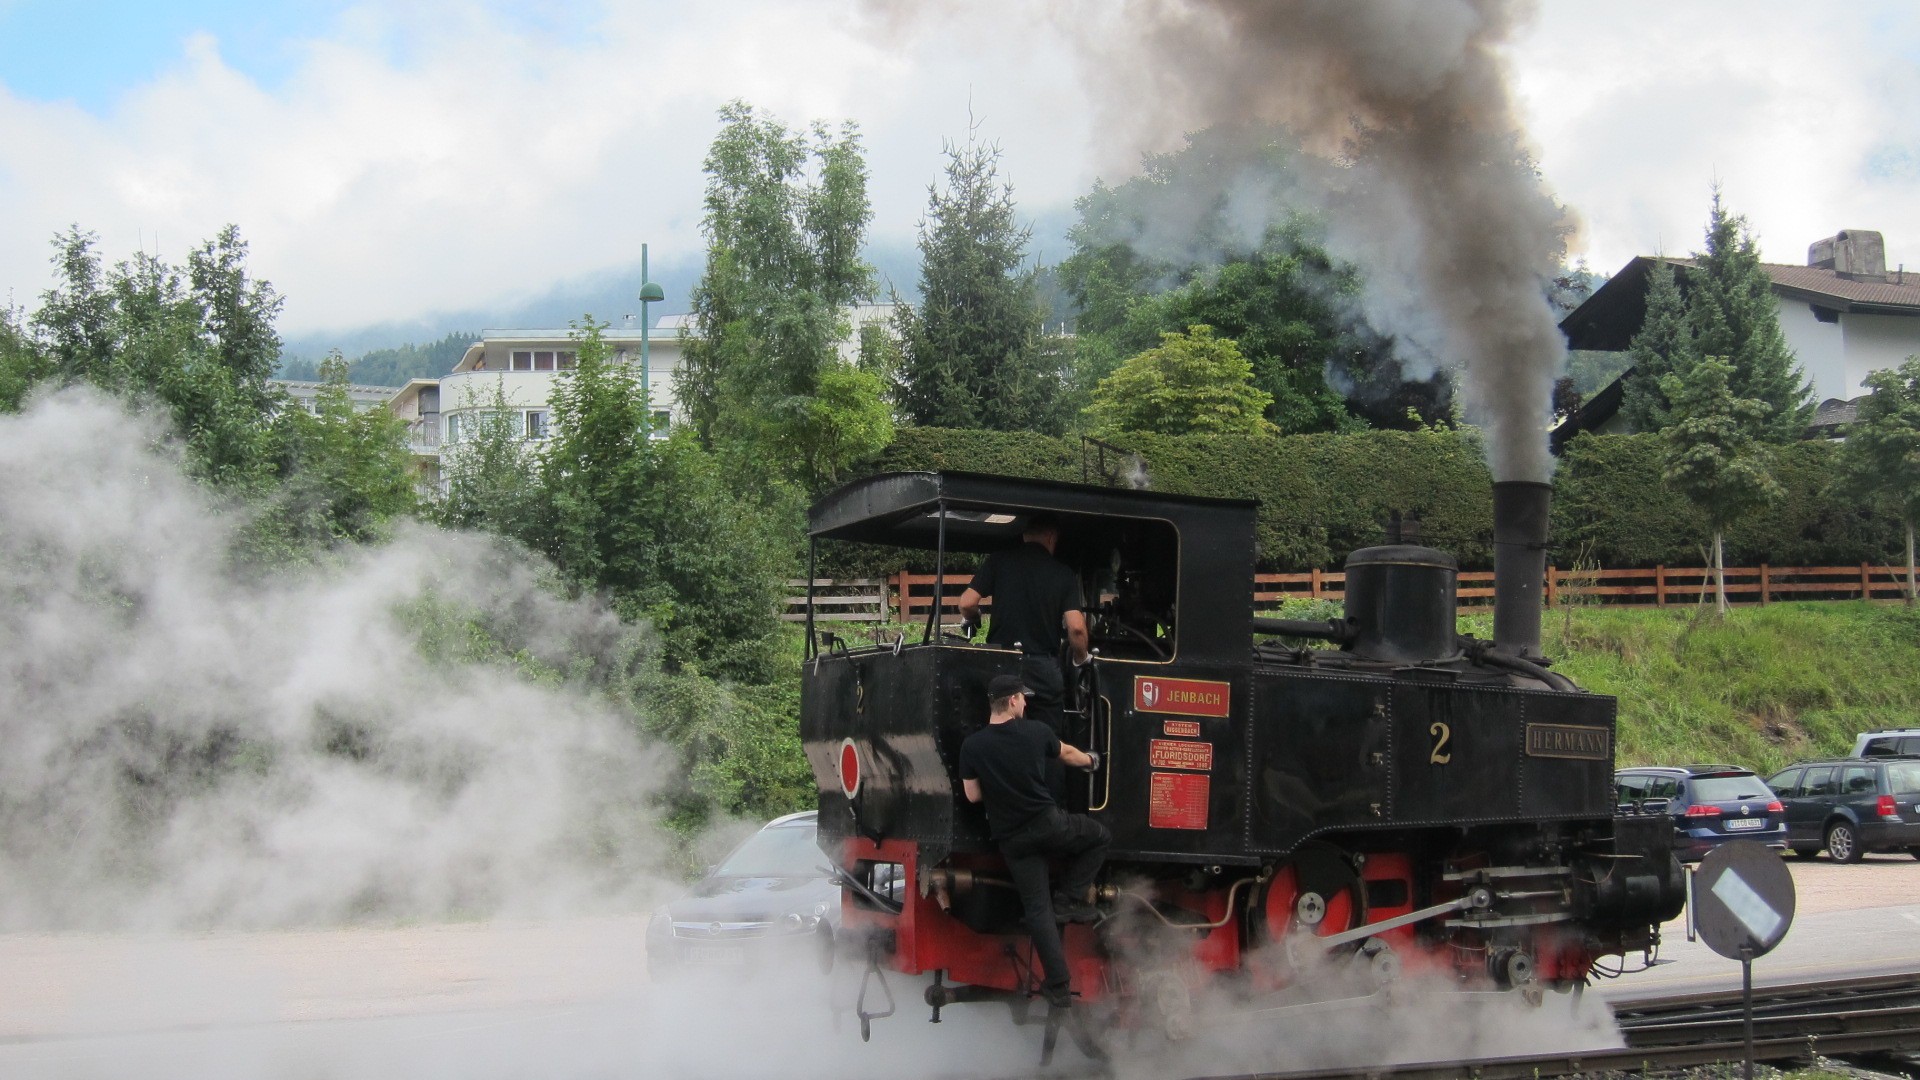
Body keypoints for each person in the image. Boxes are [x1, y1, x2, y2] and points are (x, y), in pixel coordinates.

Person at [959, 673, 1109, 1009]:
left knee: (1037, 909)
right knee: (1099, 836)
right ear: (1012, 701)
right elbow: (1067, 753)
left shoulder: (973, 746)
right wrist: (1092, 761)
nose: (1026, 703)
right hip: (1047, 825)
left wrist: (999, 790)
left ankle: (1058, 985)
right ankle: (1070, 897)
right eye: (1023, 698)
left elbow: (971, 795)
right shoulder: (1036, 731)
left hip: (1011, 839)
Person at [957, 514, 1090, 736]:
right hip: (1042, 668)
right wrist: (1080, 658)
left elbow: (967, 603)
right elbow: (1076, 628)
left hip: (1003, 664)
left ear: (1025, 536)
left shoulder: (998, 561)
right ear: (1051, 537)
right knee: (1047, 738)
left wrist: (974, 617)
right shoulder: (1063, 574)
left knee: (1002, 734)